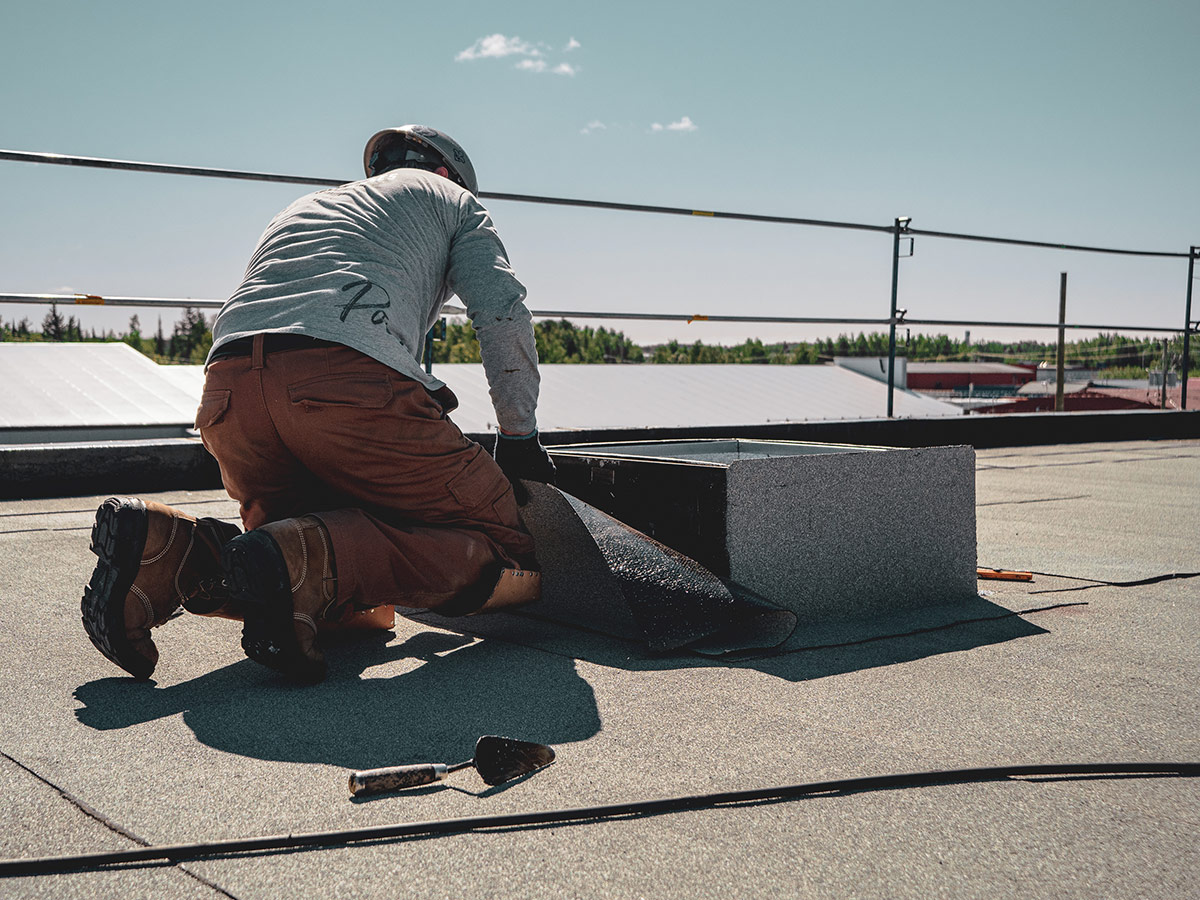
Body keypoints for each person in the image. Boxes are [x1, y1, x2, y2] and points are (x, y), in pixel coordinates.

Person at [81, 125, 555, 684]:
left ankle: (166, 551)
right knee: (508, 546)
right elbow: (501, 311)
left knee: (323, 583)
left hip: (230, 394)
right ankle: (303, 561)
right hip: (346, 385)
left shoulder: (307, 206)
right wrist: (518, 436)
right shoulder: (454, 201)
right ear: (449, 174)